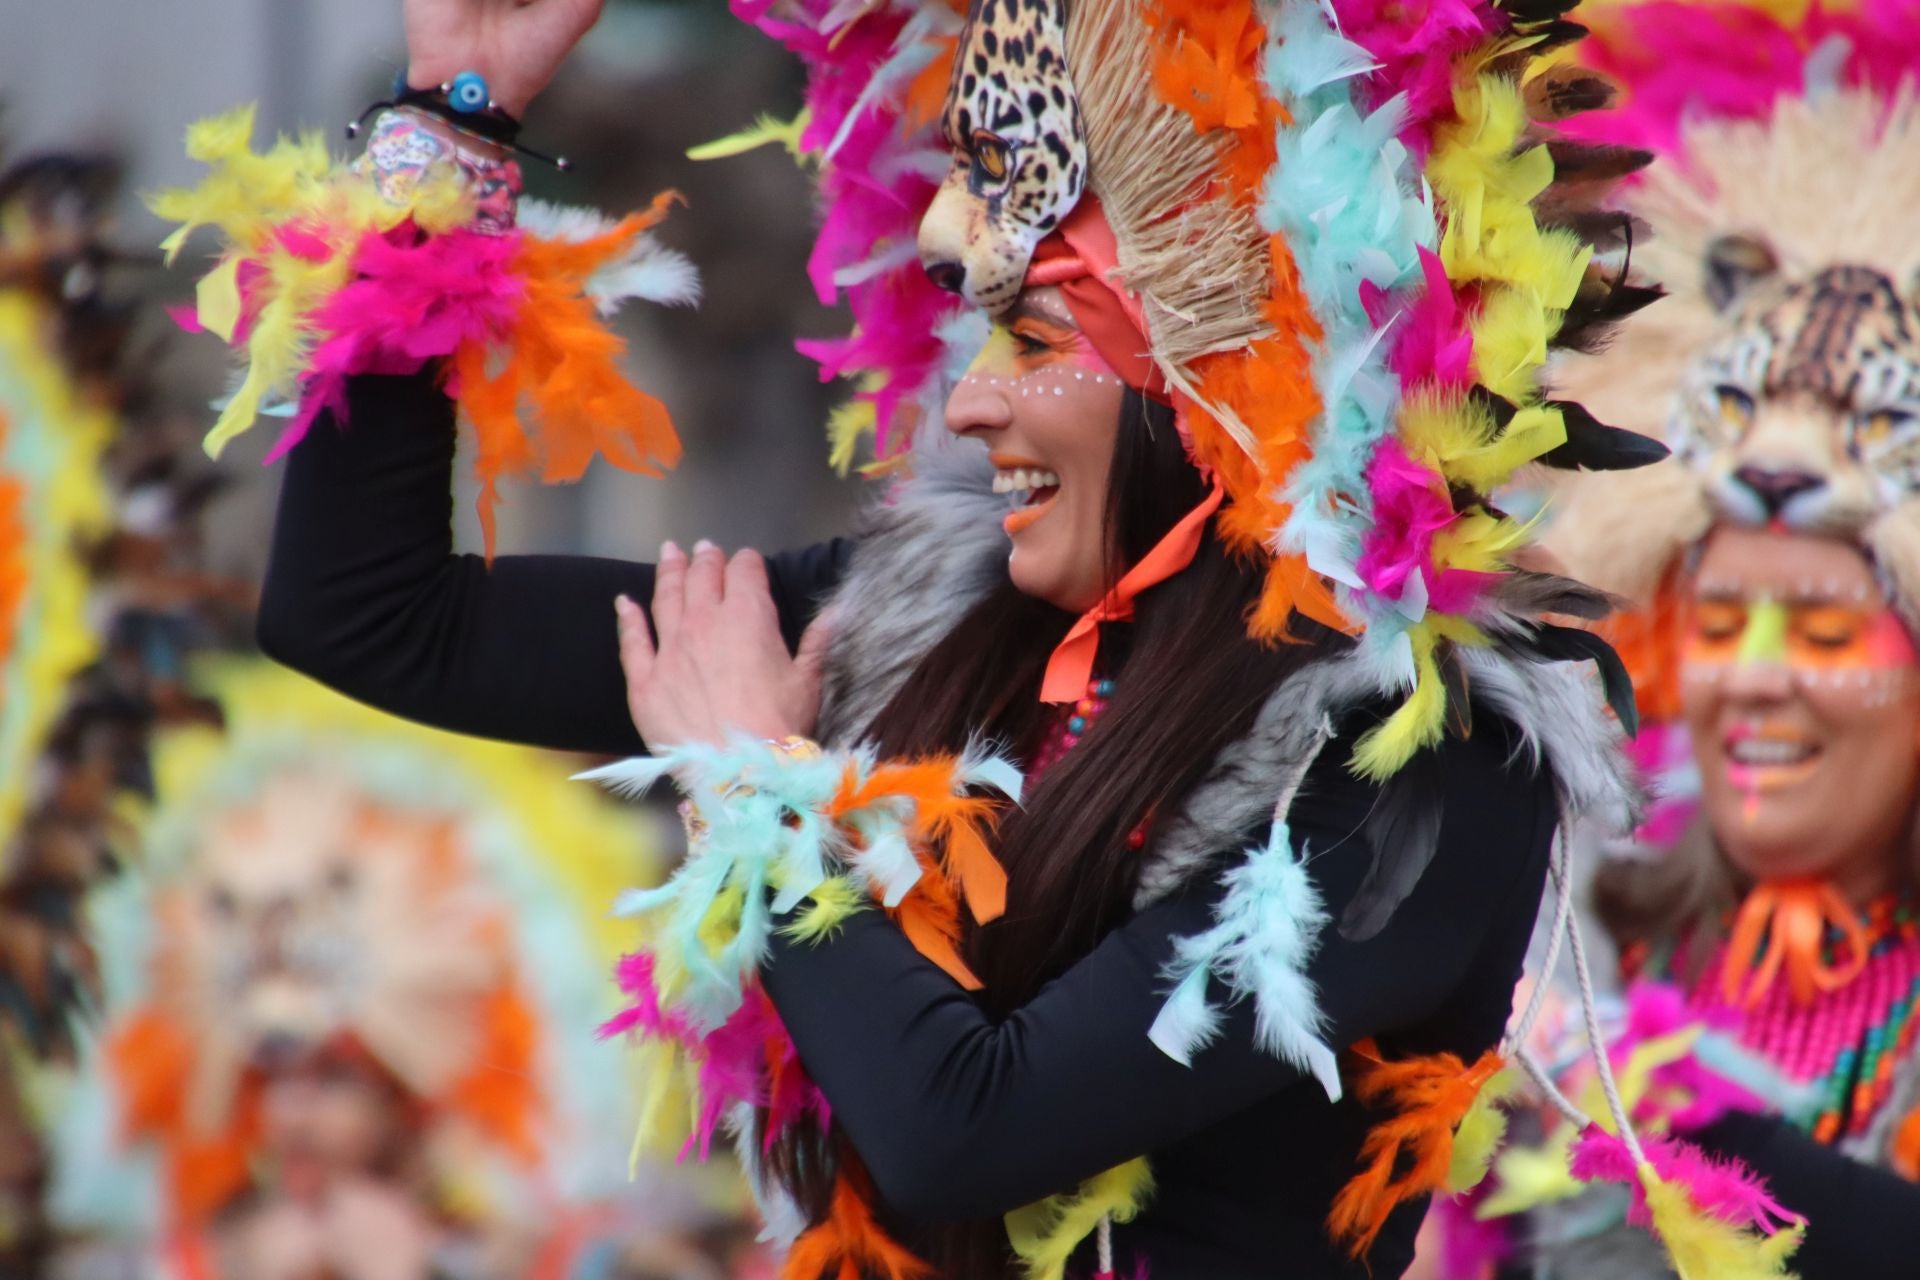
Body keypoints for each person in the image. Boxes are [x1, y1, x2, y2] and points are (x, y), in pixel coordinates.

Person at [161, 0, 1672, 1275]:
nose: (965, 404)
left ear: (1225, 369)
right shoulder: (926, 613)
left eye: (1032, 340)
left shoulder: (1426, 749)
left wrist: (755, 783)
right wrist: (451, 120)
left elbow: (965, 1128)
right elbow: (365, 614)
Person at [1449, 2, 1920, 1275]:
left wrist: (1643, 1097)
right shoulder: (1578, 919)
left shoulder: (1581, 1011)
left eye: (1824, 628)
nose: (1756, 676)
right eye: (1720, 622)